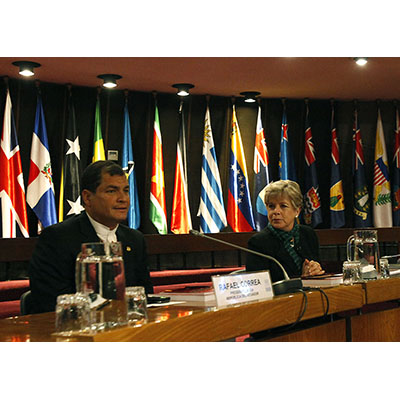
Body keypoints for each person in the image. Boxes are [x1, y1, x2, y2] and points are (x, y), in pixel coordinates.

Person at [29, 160, 153, 313]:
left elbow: (145, 296)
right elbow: (51, 301)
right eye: (111, 191)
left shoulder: (135, 240)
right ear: (87, 198)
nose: (123, 198)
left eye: (126, 190)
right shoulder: (58, 238)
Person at [246, 180, 324, 283]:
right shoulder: (258, 242)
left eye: (283, 206)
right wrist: (301, 280)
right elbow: (259, 287)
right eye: (271, 206)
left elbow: (316, 270)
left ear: (297, 210)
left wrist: (315, 269)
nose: (276, 212)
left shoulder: (308, 234)